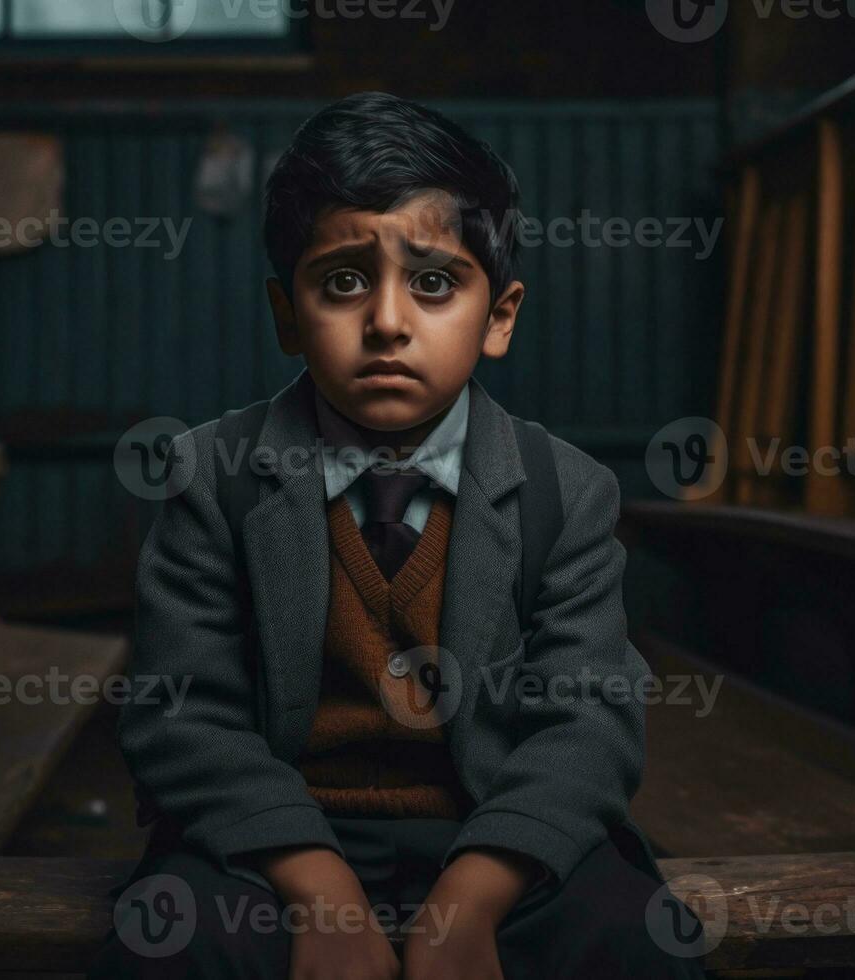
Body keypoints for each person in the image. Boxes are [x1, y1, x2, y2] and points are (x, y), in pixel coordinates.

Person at [93, 91, 704, 980]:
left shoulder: (566, 492)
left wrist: (470, 901)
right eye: (341, 281)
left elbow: (588, 723)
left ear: (498, 316)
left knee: (636, 941)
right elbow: (181, 717)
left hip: (497, 842)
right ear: (285, 315)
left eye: (433, 281)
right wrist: (320, 890)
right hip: (268, 849)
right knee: (171, 943)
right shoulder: (212, 478)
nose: (385, 321)